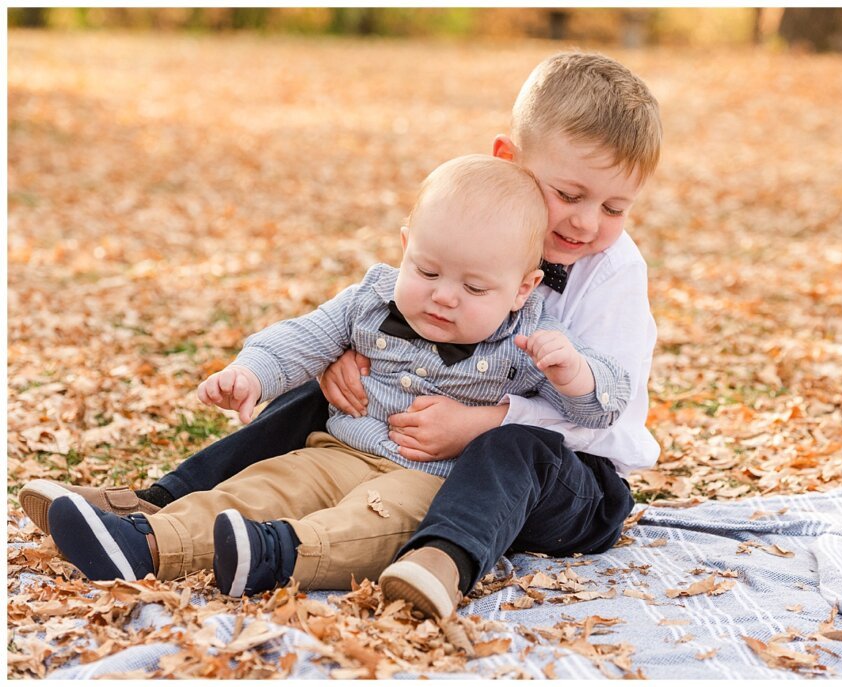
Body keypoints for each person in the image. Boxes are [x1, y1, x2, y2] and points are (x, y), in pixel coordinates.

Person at [22, 51, 661, 619]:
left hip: (556, 473)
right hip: (392, 441)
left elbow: (616, 421)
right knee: (312, 395)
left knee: (505, 449)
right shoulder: (465, 223)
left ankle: (427, 557)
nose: (586, 223)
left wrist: (488, 419)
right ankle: (156, 514)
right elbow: (327, 326)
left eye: (614, 208)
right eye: (569, 194)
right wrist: (344, 358)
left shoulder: (607, 279)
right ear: (511, 162)